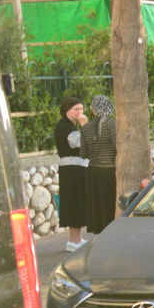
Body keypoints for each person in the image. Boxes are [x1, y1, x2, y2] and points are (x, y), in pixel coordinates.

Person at [78, 93, 117, 235]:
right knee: (109, 203)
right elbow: (116, 147)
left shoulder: (86, 127)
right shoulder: (112, 124)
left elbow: (84, 153)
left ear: (94, 109)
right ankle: (111, 232)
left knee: (97, 204)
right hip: (109, 171)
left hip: (93, 172)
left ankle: (99, 232)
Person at [54, 96, 89, 251]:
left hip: (77, 168)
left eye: (81, 109)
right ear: (67, 110)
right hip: (71, 171)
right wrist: (85, 125)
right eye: (76, 109)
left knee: (79, 202)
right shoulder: (65, 127)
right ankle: (73, 241)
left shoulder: (71, 126)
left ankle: (78, 239)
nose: (79, 112)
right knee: (74, 202)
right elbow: (81, 143)